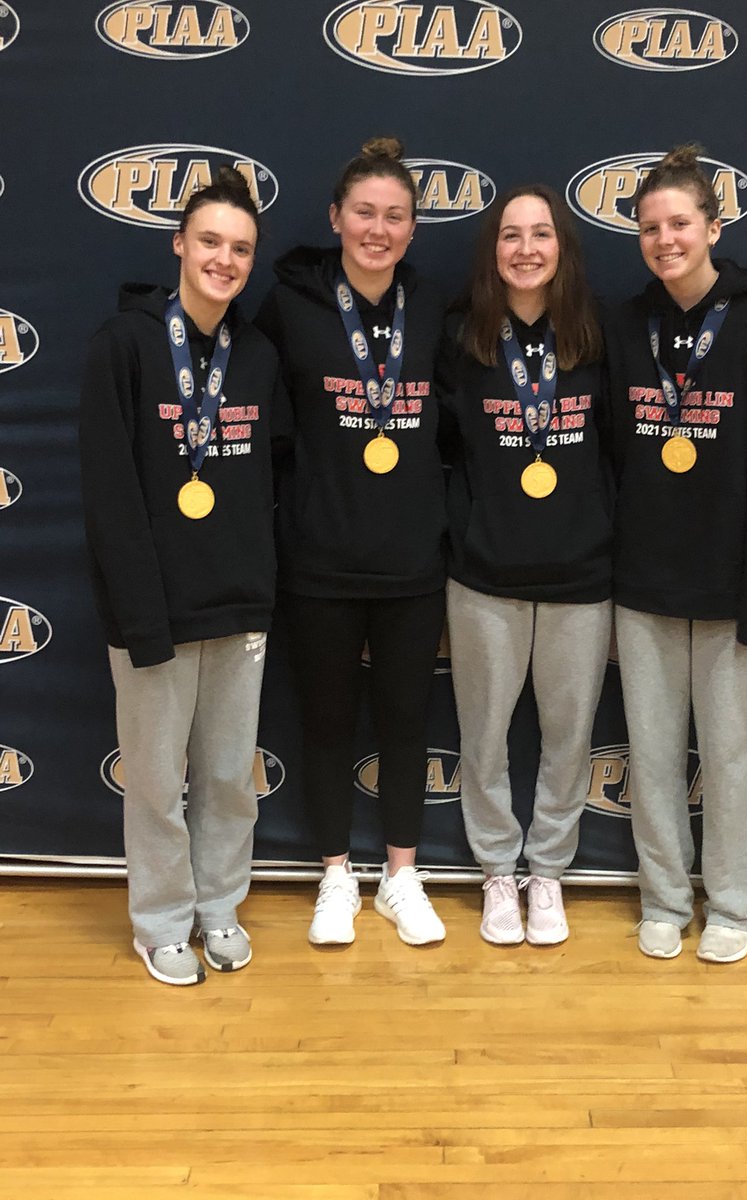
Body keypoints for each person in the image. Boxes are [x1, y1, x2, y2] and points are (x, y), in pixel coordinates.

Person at [80, 167, 283, 985]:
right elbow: (111, 493)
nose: (224, 260)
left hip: (238, 603)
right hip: (154, 610)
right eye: (210, 242)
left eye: (239, 249)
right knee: (159, 783)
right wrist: (139, 616)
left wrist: (264, 588)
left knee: (231, 778)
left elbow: (270, 480)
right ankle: (161, 921)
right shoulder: (123, 345)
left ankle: (219, 907)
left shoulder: (258, 353)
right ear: (178, 244)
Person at [605, 144, 747, 963]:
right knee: (652, 758)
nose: (665, 239)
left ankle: (730, 904)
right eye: (651, 227)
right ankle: (663, 898)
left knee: (730, 758)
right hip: (644, 585)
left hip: (731, 590)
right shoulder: (628, 326)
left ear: (713, 227)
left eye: (680, 223)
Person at [255, 137, 447, 947]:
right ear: (335, 217)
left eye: (394, 216)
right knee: (326, 722)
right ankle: (334, 875)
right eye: (364, 212)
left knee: (407, 720)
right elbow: (266, 432)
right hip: (320, 561)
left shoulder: (436, 308)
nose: (378, 229)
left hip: (410, 563)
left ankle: (402, 875)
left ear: (412, 230)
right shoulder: (288, 305)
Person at [441, 185, 614, 946]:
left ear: (562, 249)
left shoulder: (600, 338)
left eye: (541, 234)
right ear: (493, 252)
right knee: (482, 737)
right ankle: (496, 875)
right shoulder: (461, 339)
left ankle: (548, 872)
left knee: (567, 736)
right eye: (510, 235)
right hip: (485, 576)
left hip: (582, 577)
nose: (525, 249)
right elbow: (439, 454)